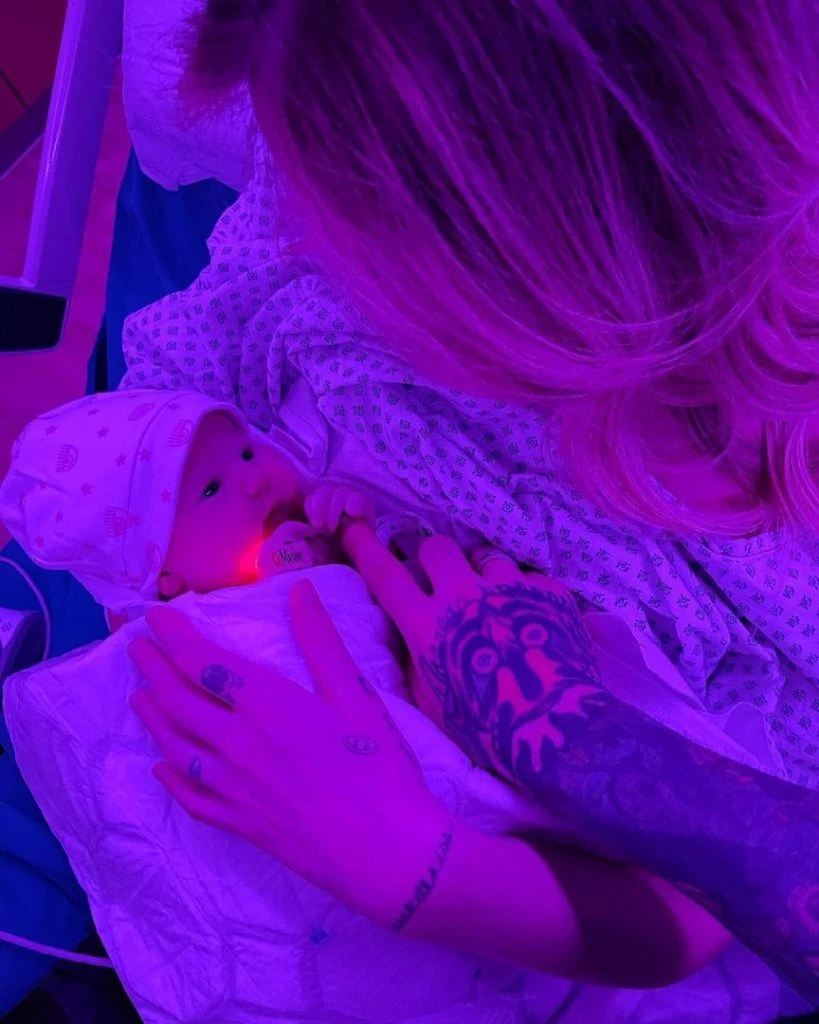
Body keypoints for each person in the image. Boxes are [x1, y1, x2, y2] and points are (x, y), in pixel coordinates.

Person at [124, 0, 819, 1012]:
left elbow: (698, 906)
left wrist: (415, 866)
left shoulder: (699, 554)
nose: (292, 229)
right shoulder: (316, 195)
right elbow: (184, 355)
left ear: (539, 266)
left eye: (339, 219)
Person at [0, 387, 733, 1021]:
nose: (253, 480)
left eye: (248, 451)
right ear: (162, 580)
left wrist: (341, 530)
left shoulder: (310, 528)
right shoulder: (188, 624)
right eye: (212, 492)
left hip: (414, 781)